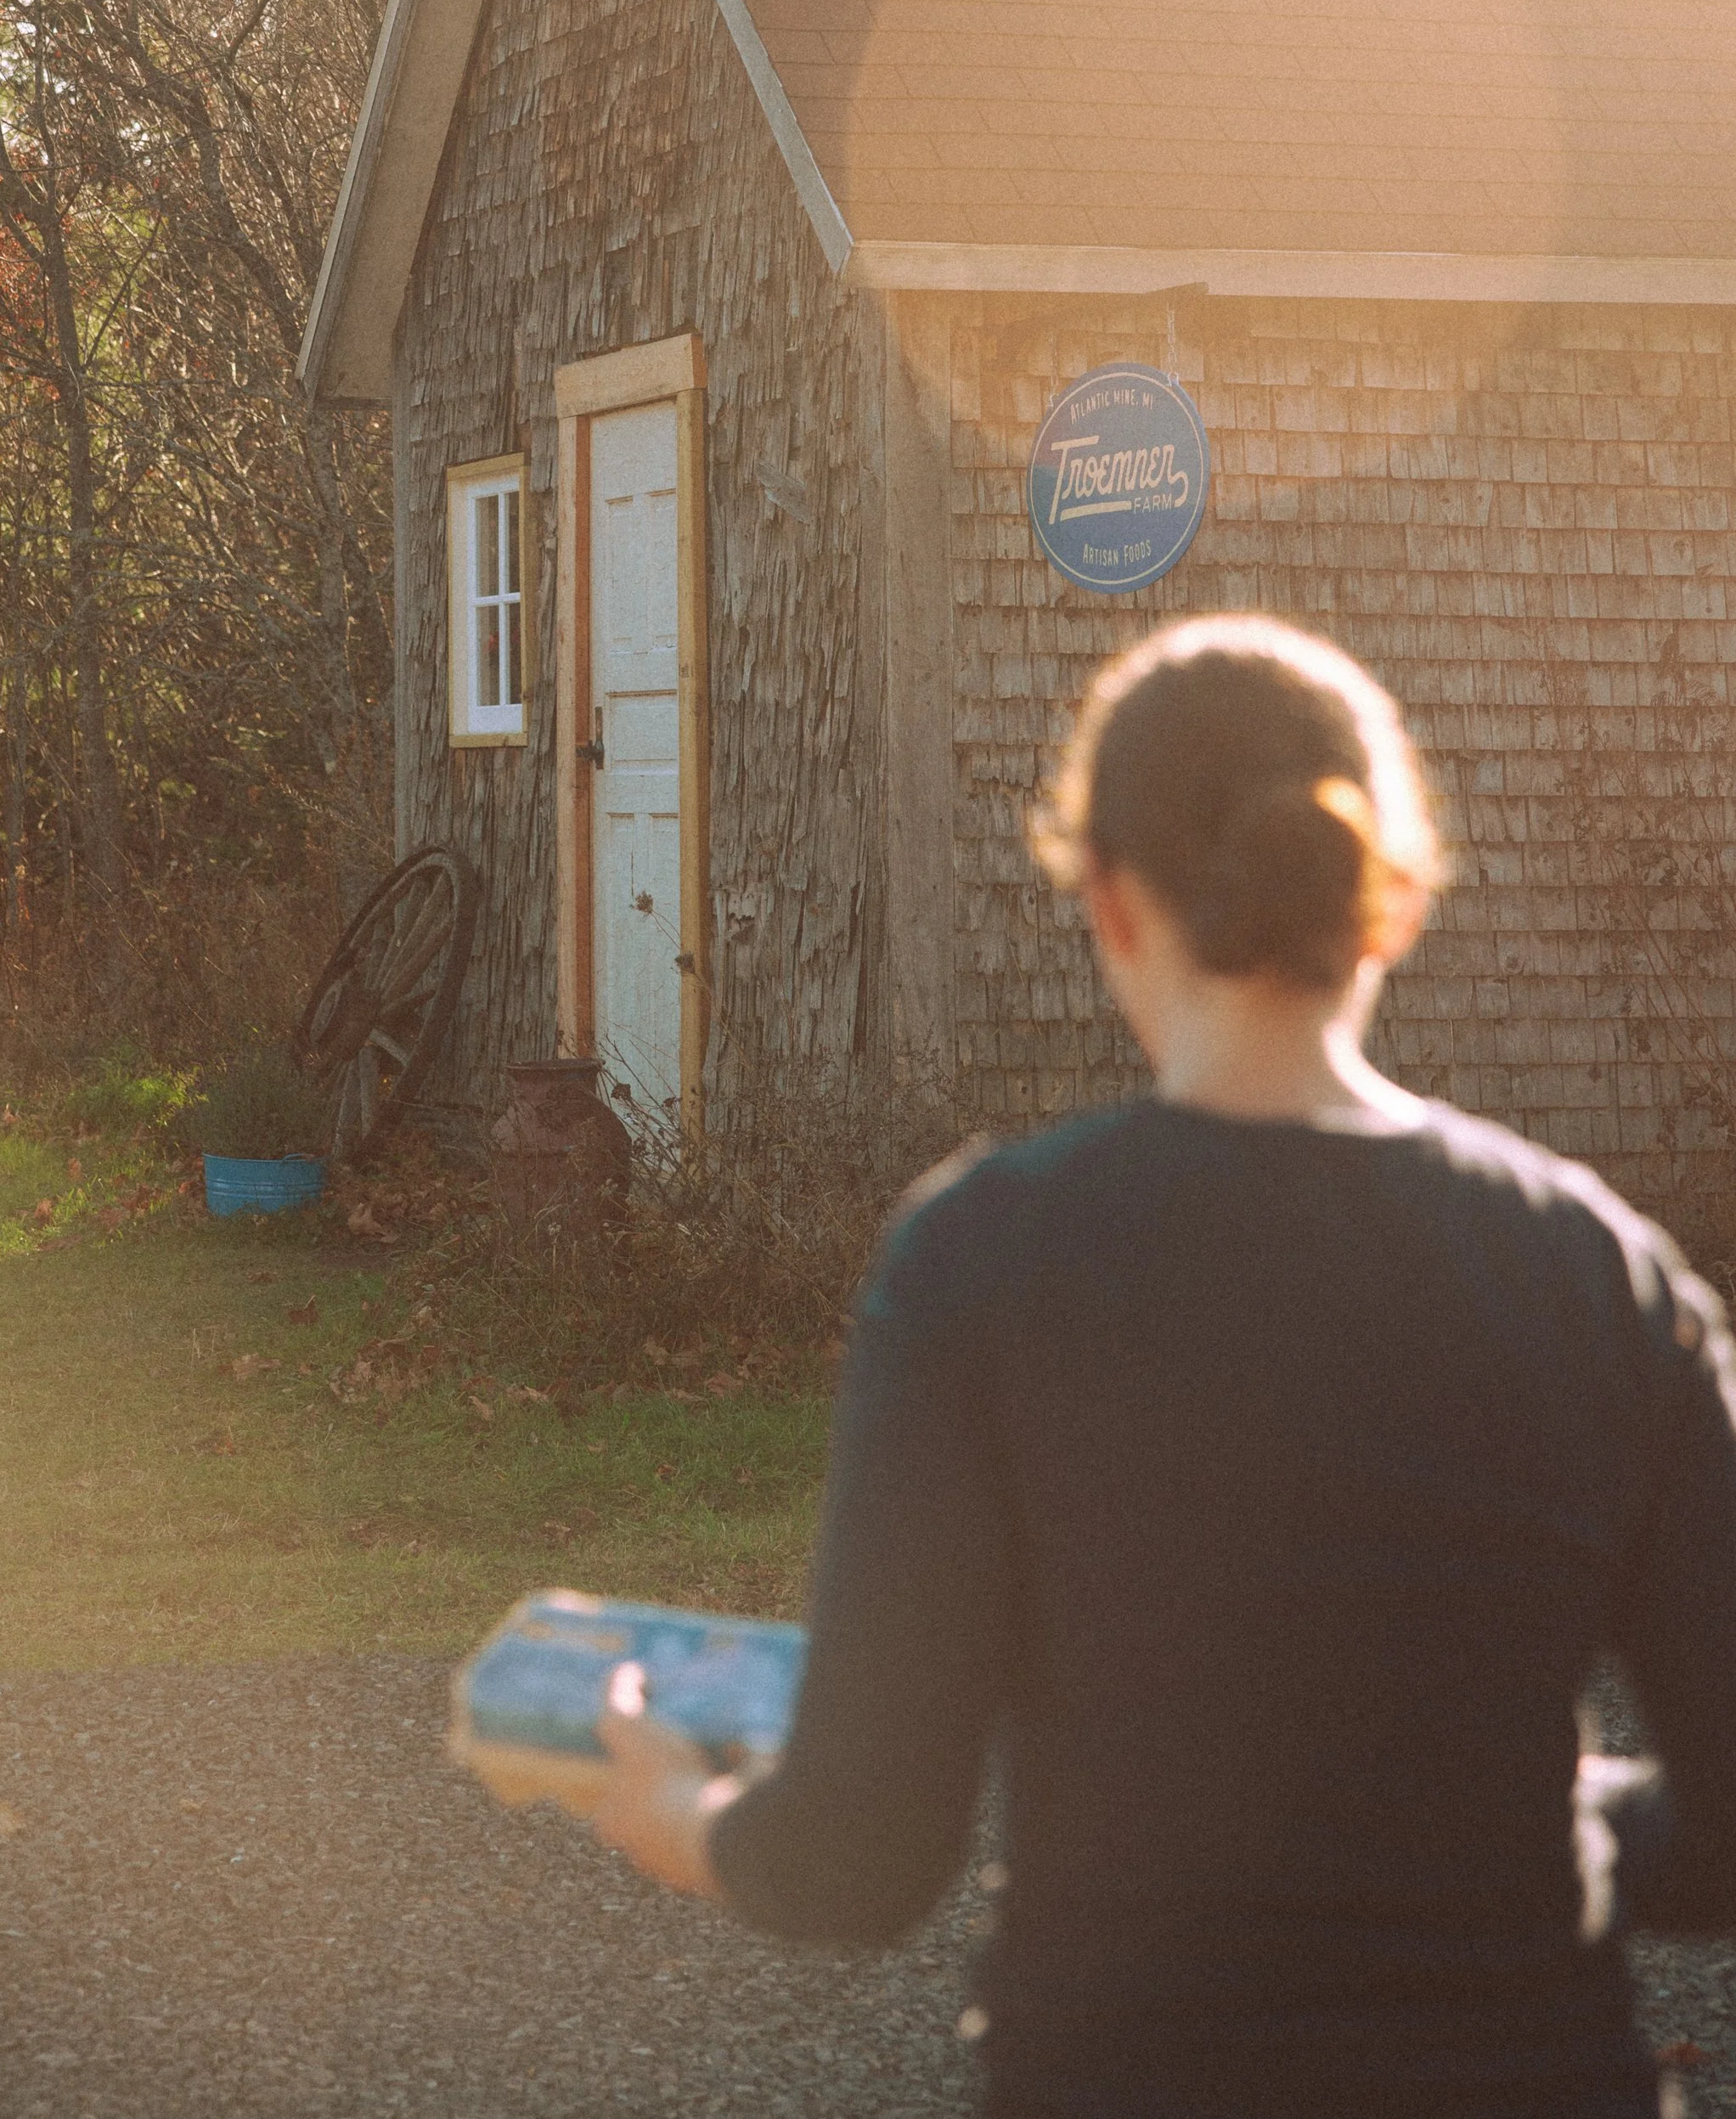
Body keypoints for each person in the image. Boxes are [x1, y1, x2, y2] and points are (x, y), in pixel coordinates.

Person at [588, 613, 1736, 2118]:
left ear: (1112, 905)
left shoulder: (982, 1265)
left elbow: (858, 1856)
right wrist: (1551, 1822)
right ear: (1386, 901)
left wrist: (680, 1813)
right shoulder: (1604, 1275)